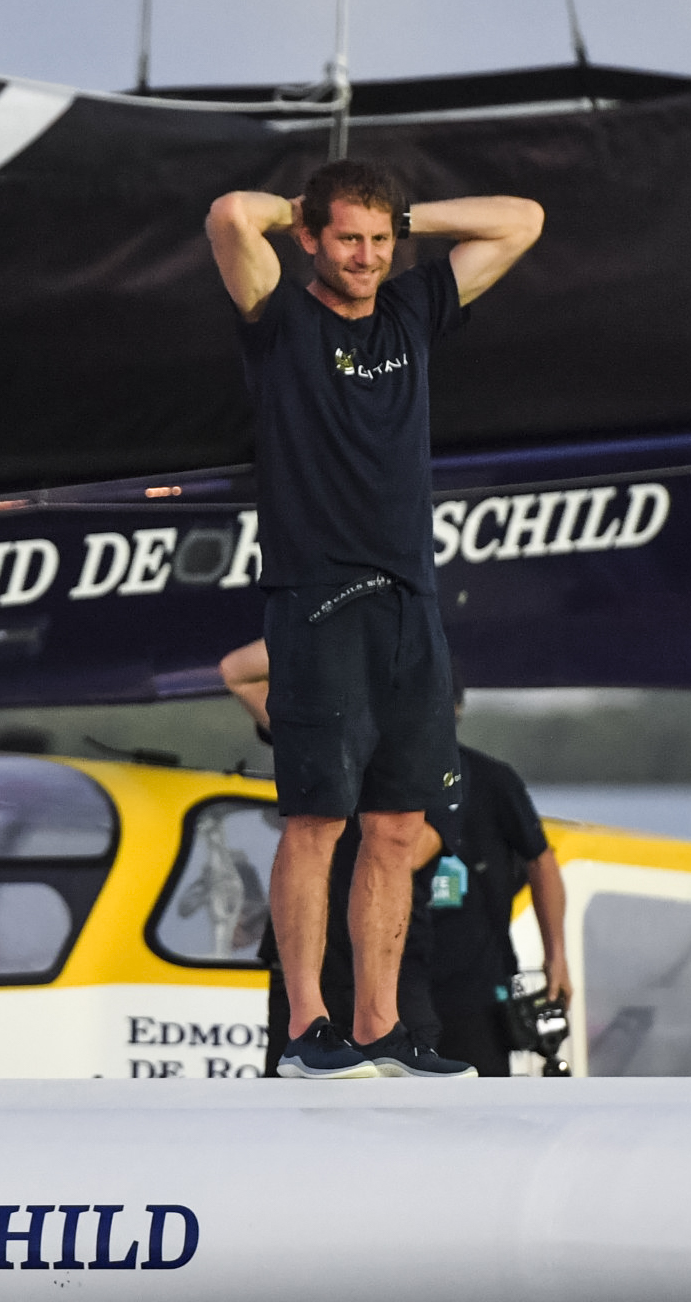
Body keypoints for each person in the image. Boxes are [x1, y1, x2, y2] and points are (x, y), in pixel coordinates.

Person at [205, 161, 543, 1078]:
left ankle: (381, 1027)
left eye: (380, 240)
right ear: (311, 238)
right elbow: (231, 214)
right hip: (316, 600)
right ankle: (307, 1027)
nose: (366, 256)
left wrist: (405, 217)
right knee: (318, 820)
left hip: (409, 603)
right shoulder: (280, 314)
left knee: (396, 826)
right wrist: (299, 210)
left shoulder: (412, 308)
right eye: (348, 238)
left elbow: (521, 217)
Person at [222, 639, 473, 1078]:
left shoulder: (441, 765)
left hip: (393, 971)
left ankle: (379, 1032)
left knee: (400, 1101)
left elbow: (418, 848)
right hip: (309, 966)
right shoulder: (329, 734)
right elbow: (238, 672)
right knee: (296, 1091)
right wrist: (338, 635)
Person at [430, 682, 574, 1075]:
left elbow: (541, 860)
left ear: (457, 710)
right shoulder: (375, 781)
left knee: (480, 1101)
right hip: (396, 992)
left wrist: (556, 955)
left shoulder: (491, 780)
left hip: (477, 991)